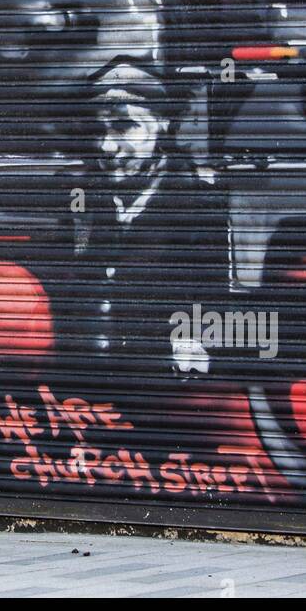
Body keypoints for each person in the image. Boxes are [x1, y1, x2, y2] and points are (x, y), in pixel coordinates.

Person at [72, 61, 229, 376]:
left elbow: (217, 304)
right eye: (97, 129)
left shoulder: (201, 206)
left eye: (124, 126)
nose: (106, 146)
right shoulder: (82, 202)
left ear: (163, 122)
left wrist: (197, 343)